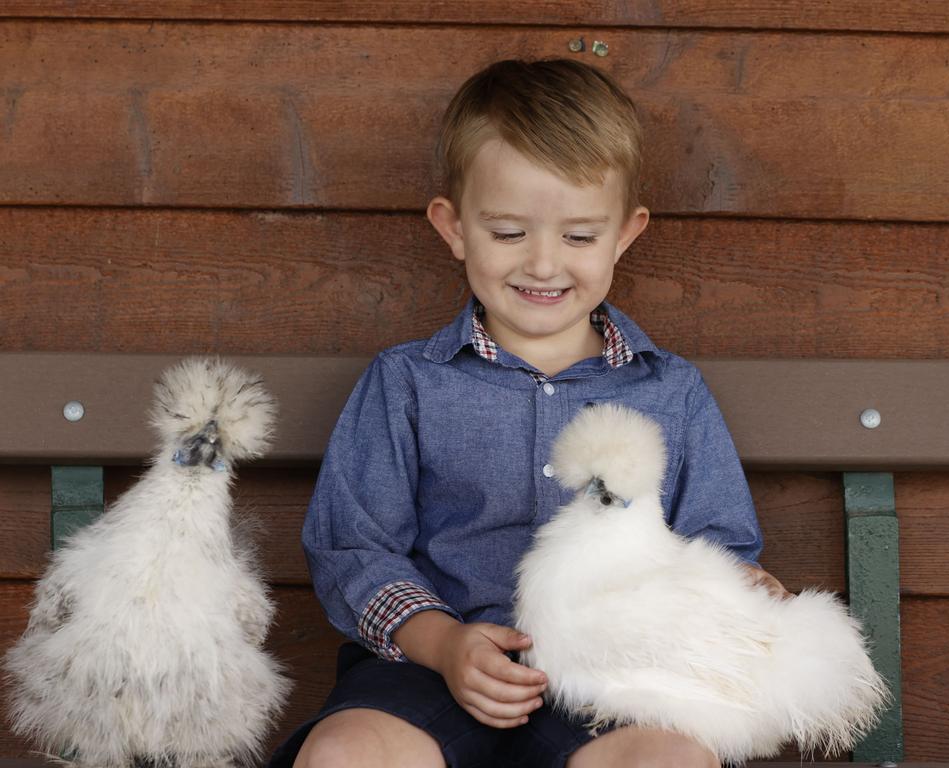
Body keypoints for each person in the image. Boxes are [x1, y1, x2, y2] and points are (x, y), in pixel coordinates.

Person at [267, 57, 791, 768]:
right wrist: (443, 643)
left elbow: (718, 544)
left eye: (578, 237)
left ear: (625, 234)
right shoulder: (408, 384)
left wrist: (740, 587)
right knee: (346, 754)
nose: (544, 264)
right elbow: (352, 547)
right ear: (454, 228)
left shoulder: (671, 393)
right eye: (509, 232)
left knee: (670, 760)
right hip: (430, 672)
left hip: (616, 683)